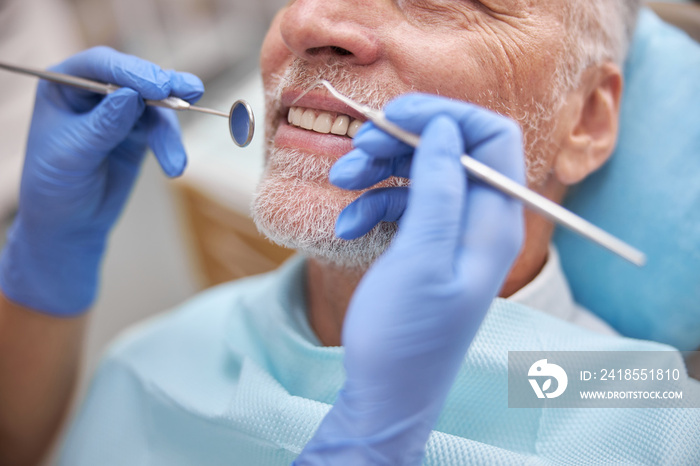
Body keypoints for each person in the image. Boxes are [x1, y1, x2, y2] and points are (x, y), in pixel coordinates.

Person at [0, 1, 698, 465]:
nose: (308, 20)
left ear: (588, 121)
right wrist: (39, 262)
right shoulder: (146, 357)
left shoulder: (644, 408)